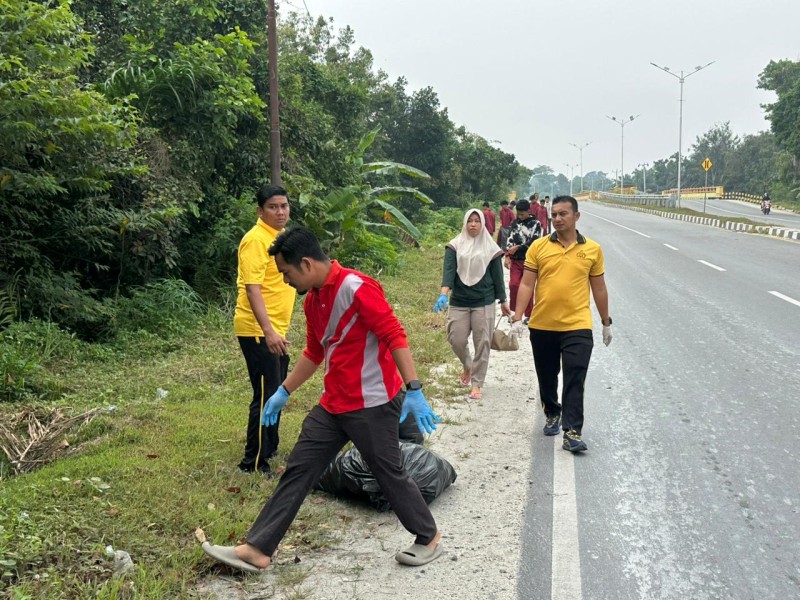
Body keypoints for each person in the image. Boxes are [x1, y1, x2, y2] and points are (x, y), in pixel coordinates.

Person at [203, 227, 443, 573]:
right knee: (300, 468)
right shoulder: (314, 300)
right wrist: (283, 391)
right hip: (334, 403)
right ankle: (257, 549)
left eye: (286, 273)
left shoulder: (356, 287)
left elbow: (394, 334)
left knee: (387, 472)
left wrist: (414, 388)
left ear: (305, 263)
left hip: (373, 402)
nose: (285, 281)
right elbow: (315, 351)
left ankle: (428, 536)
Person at [510, 195, 612, 453]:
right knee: (547, 376)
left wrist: (605, 322)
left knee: (575, 377)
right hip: (543, 325)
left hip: (578, 325)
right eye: (554, 214)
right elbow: (526, 283)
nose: (557, 219)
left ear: (576, 216)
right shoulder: (539, 247)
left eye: (563, 214)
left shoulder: (592, 250)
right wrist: (517, 317)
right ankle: (552, 411)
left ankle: (572, 431)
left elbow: (598, 288)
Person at [233, 185, 296, 475]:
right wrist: (268, 330)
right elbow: (252, 289)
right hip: (258, 330)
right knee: (265, 394)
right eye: (273, 207)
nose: (280, 211)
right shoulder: (256, 240)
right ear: (260, 211)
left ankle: (269, 448)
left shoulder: (280, 237)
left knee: (277, 390)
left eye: (284, 206)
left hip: (275, 329)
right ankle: (253, 463)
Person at [434, 209, 511, 400]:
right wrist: (443, 294)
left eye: (477, 221)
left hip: (484, 300)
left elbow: (498, 277)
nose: (474, 224)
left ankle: (477, 383)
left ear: (483, 224)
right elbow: (449, 272)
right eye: (470, 221)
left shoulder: (490, 248)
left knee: (483, 342)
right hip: (459, 300)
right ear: (465, 223)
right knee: (456, 339)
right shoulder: (454, 246)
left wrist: (503, 301)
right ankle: (468, 364)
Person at [504, 199, 542, 323]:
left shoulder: (535, 224)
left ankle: (529, 314)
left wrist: (519, 247)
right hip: (516, 260)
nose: (519, 217)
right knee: (513, 284)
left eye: (522, 214)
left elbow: (535, 242)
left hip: (529, 261)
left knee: (528, 287)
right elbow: (509, 240)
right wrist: (507, 255)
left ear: (528, 211)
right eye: (518, 214)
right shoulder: (514, 223)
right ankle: (515, 313)